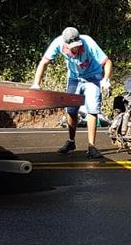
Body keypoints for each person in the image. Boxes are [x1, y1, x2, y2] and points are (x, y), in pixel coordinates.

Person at [31, 27, 112, 159]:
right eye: (72, 47)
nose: (75, 48)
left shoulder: (88, 43)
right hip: (74, 78)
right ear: (66, 44)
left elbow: (107, 62)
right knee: (71, 110)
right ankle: (71, 141)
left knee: (92, 109)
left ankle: (91, 146)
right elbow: (44, 62)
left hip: (93, 77)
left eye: (77, 45)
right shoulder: (58, 43)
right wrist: (36, 83)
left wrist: (106, 79)